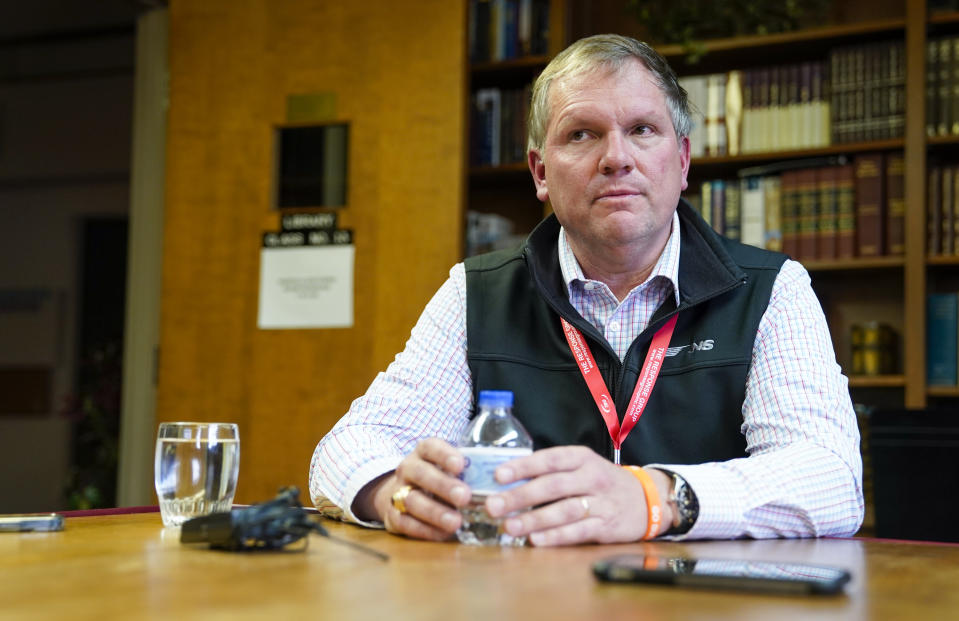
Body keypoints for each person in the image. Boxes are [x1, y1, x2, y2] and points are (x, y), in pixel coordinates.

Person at [309, 34, 863, 546]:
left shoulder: (770, 290)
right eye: (582, 134)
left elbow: (831, 478)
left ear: (683, 160)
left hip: (704, 599)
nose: (616, 157)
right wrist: (391, 493)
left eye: (642, 130)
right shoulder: (476, 294)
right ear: (541, 172)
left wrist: (656, 498)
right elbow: (346, 449)